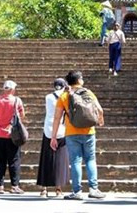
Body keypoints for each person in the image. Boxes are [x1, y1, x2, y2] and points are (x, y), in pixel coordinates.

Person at [50, 71, 106, 200]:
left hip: (71, 132)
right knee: (90, 159)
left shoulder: (64, 96)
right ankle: (93, 189)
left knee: (75, 161)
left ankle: (77, 191)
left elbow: (57, 118)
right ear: (80, 80)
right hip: (88, 131)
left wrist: (53, 137)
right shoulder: (88, 93)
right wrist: (101, 119)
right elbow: (100, 109)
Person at [36, 78, 70, 197]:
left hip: (48, 129)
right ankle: (58, 188)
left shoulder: (48, 97)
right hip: (62, 130)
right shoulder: (66, 97)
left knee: (46, 159)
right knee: (60, 160)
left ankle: (44, 188)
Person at [0, 80, 25, 194]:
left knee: (0, 160)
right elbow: (22, 115)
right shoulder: (17, 100)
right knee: (14, 160)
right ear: (12, 89)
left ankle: (0, 186)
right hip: (12, 135)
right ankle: (14, 186)